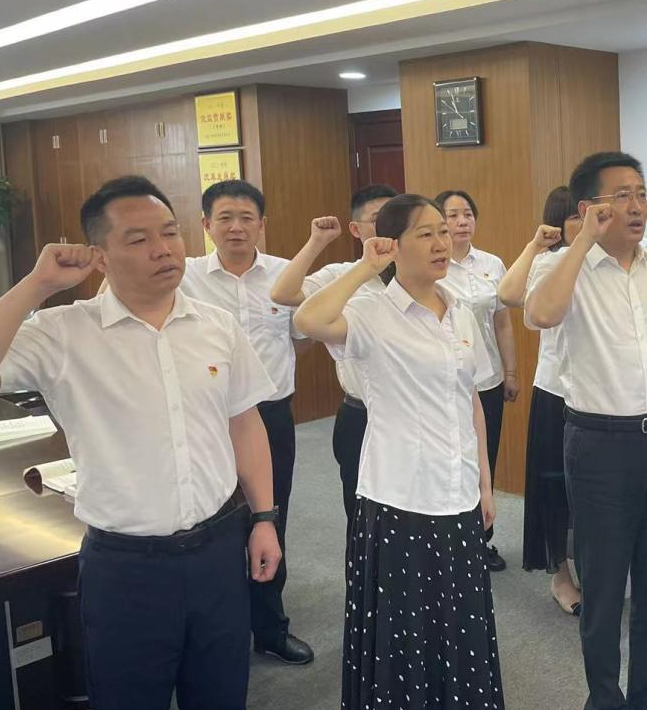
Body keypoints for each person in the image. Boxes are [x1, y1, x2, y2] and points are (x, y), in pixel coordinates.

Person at [0, 176, 281, 710]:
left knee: (222, 694)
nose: (163, 249)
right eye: (138, 239)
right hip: (126, 567)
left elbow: (244, 422)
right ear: (100, 256)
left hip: (218, 550)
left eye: (169, 232)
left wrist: (264, 518)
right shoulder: (62, 333)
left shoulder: (216, 325)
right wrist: (36, 285)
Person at [293, 194, 504, 710]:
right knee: (406, 632)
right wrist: (366, 266)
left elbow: (471, 400)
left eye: (442, 231)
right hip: (399, 498)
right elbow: (309, 319)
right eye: (425, 234)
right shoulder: (371, 311)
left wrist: (484, 483)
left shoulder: (459, 311)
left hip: (457, 492)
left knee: (459, 622)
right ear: (393, 244)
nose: (441, 242)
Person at [526, 152, 647, 710]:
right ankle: (603, 698)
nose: (637, 206)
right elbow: (540, 315)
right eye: (622, 195)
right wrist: (582, 242)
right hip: (599, 444)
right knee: (603, 589)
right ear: (590, 207)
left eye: (641, 193)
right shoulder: (562, 266)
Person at [178, 179, 314, 665]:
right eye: (225, 218)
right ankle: (217, 630)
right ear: (205, 224)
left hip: (270, 415)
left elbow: (302, 337)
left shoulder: (285, 275)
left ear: (262, 224)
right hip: (205, 418)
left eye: (246, 218)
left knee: (269, 517)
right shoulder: (185, 276)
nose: (235, 227)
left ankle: (270, 627)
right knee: (210, 521)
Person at [270, 184, 398, 537]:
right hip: (361, 413)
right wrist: (317, 243)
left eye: (396, 217)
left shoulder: (418, 275)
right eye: (378, 219)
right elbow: (282, 293)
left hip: (412, 411)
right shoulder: (340, 275)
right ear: (356, 229)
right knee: (362, 512)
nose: (389, 226)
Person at [498, 186, 583, 615]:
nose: (584, 222)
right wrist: (535, 246)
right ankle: (560, 575)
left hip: (602, 397)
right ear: (558, 223)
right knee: (556, 490)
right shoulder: (550, 262)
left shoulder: (611, 261)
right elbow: (508, 294)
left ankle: (595, 568)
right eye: (574, 216)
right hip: (557, 391)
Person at [436, 189, 517, 573]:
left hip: (488, 380)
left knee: (485, 459)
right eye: (452, 215)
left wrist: (510, 372)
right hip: (447, 383)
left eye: (467, 213)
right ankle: (450, 542)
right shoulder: (434, 265)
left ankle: (482, 539)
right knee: (452, 461)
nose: (461, 221)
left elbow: (502, 321)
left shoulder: (492, 264)